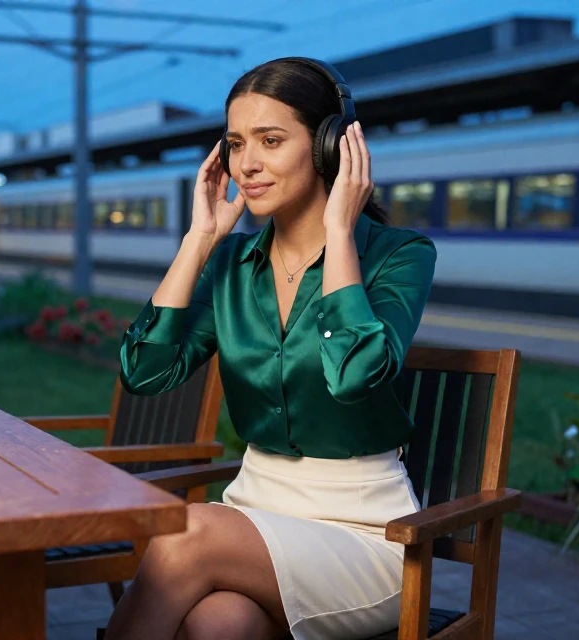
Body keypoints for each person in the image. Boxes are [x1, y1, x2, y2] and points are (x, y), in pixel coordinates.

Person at [105, 57, 437, 640]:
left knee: (187, 531)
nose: (247, 164)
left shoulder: (400, 254)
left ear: (330, 148)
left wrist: (339, 232)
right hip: (253, 517)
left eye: (271, 140)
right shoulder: (231, 264)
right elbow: (144, 372)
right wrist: (199, 241)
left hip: (366, 536)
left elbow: (354, 376)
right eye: (236, 144)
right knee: (217, 625)